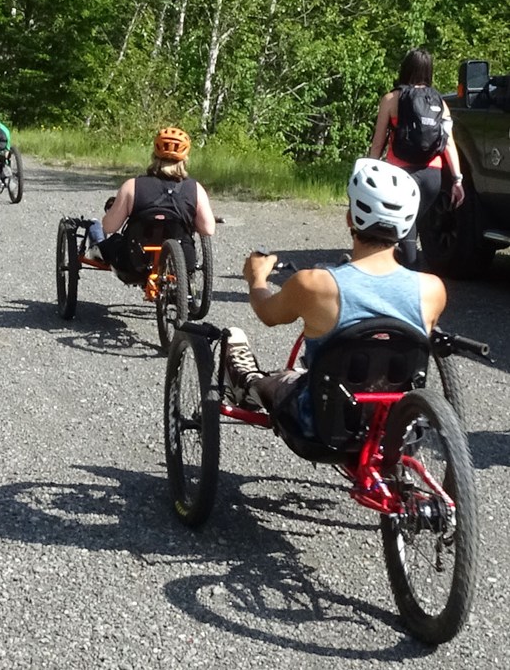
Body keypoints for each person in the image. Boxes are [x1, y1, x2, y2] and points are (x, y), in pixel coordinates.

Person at [227, 158, 446, 439]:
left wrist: (256, 278)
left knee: (277, 380)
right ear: (406, 227)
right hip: (396, 428)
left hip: (322, 424)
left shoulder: (314, 284)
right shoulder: (432, 290)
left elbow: (268, 314)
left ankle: (247, 380)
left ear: (350, 218)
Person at [366, 48, 466, 270]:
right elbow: (448, 143)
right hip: (432, 175)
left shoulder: (392, 99)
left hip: (400, 174)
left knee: (404, 224)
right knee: (414, 221)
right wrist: (457, 179)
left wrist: (370, 170)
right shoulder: (440, 102)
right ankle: (402, 270)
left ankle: (408, 274)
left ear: (406, 68)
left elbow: (378, 141)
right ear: (429, 70)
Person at [86, 127, 216, 283]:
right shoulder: (196, 189)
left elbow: (109, 227)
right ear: (185, 158)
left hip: (133, 262)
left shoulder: (132, 186)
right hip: (181, 263)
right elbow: (208, 229)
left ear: (154, 154)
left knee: (112, 240)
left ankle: (94, 243)